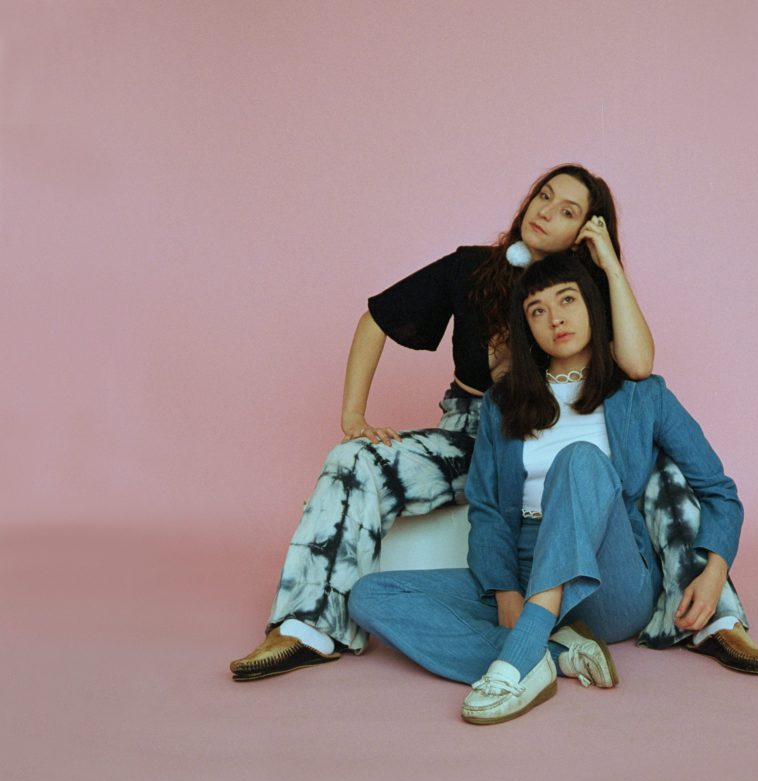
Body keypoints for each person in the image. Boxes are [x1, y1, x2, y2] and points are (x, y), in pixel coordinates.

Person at [229, 164, 657, 680]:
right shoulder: (470, 267)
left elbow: (637, 366)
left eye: (567, 211)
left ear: (585, 230)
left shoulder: (582, 290)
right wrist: (353, 416)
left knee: (663, 466)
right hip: (469, 433)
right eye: (543, 196)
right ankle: (306, 625)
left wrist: (607, 264)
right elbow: (377, 318)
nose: (545, 212)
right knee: (353, 458)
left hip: (550, 441)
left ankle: (710, 617)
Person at [349, 252, 758, 725]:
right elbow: (487, 509)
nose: (555, 318)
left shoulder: (643, 394)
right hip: (524, 565)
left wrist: (714, 574)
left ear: (593, 305)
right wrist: (505, 589)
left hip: (610, 580)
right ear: (527, 327)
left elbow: (719, 490)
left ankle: (518, 662)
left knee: (579, 460)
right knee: (371, 595)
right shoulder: (503, 403)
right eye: (537, 310)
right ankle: (559, 653)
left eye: (567, 300)